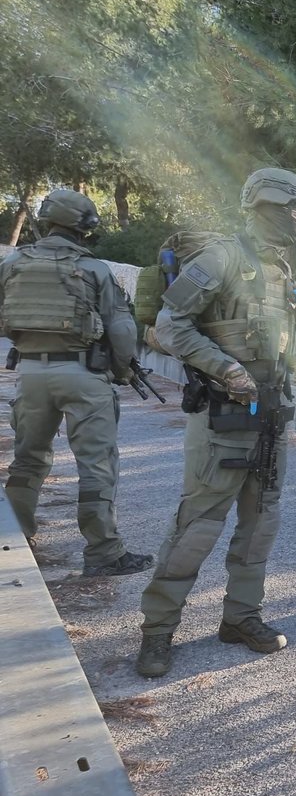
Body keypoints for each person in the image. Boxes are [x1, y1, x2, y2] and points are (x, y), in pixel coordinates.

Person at [136, 168, 296, 678]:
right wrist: (227, 369)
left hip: (271, 414)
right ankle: (157, 631)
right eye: (295, 210)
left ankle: (240, 618)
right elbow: (170, 326)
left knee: (261, 524)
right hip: (223, 415)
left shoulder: (279, 267)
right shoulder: (220, 258)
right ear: (267, 205)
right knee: (198, 525)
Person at [0, 189, 152, 577]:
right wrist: (123, 370)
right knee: (96, 464)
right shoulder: (94, 269)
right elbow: (120, 329)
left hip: (30, 374)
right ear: (83, 227)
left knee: (28, 460)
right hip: (83, 374)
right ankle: (103, 552)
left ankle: (15, 540)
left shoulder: (13, 263)